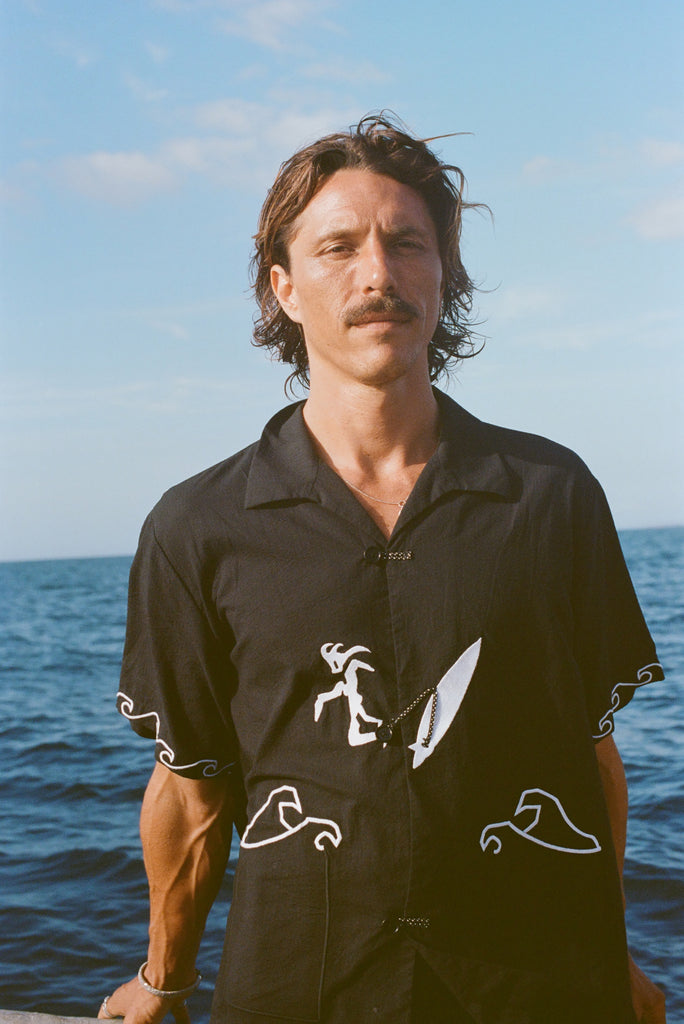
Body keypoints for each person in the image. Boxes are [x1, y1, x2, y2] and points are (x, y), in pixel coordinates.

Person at [99, 114, 667, 1024]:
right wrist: (165, 976)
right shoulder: (197, 527)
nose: (378, 274)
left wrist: (614, 959)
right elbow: (191, 786)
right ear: (283, 288)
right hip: (302, 984)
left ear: (444, 278)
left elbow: (588, 753)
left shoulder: (550, 496)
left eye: (408, 244)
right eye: (338, 248)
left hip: (541, 983)